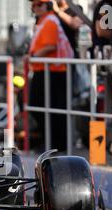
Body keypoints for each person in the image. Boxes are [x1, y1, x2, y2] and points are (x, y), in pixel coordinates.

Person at [28, 0, 74, 151]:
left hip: (52, 72)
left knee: (49, 108)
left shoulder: (49, 22)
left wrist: (33, 55)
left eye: (39, 5)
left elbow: (50, 46)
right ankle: (52, 143)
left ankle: (56, 145)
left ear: (47, 5)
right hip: (47, 70)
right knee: (46, 108)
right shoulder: (44, 22)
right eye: (34, 5)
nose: (36, 8)